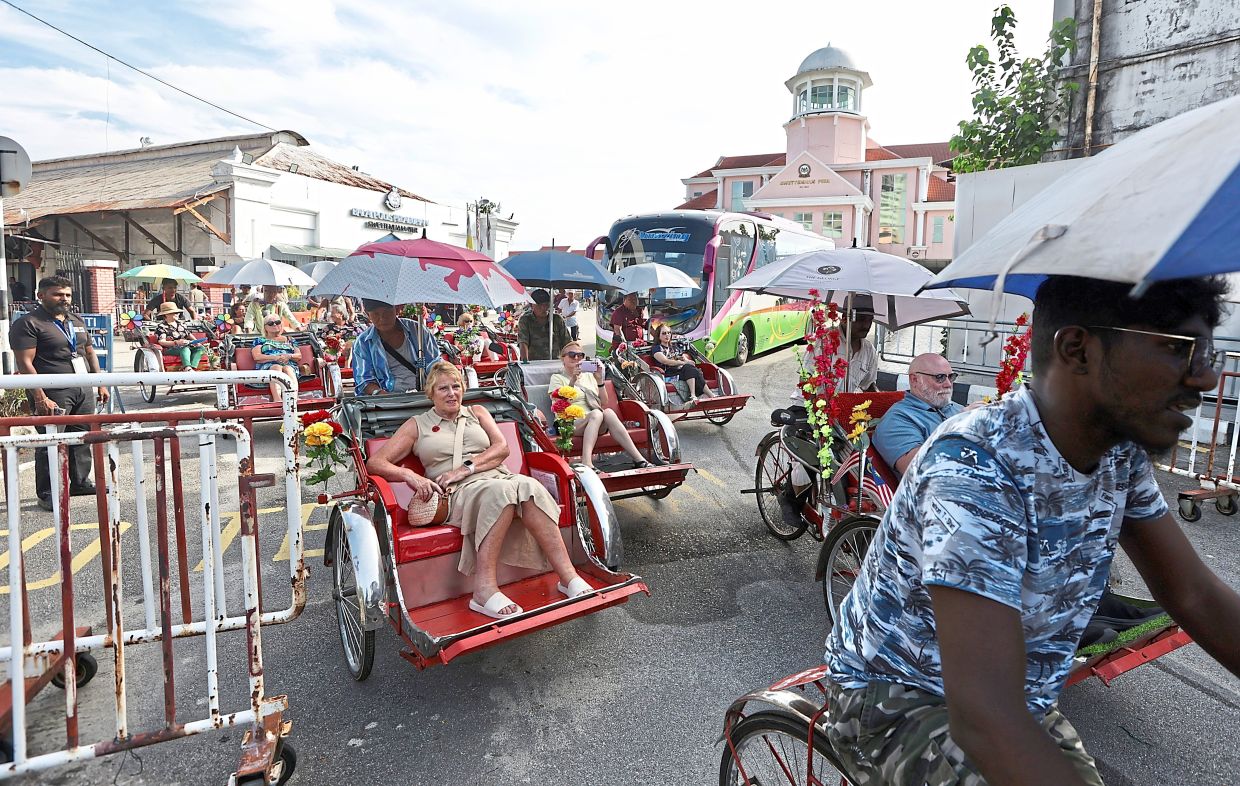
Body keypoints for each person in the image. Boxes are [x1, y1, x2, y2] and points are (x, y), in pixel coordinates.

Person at [823, 275, 1240, 786]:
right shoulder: (975, 465)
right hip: (898, 696)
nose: (1203, 379)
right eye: (1180, 351)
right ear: (1077, 349)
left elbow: (1194, 594)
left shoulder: (1120, 454)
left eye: (1209, 356)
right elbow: (984, 716)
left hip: (1020, 694)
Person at [367, 361, 593, 619]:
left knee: (530, 486)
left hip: (494, 477)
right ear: (431, 393)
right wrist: (411, 476)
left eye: (456, 386)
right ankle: (484, 590)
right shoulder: (417, 425)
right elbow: (375, 463)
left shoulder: (477, 412)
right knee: (499, 493)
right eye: (443, 388)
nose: (451, 393)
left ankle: (567, 576)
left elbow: (502, 448)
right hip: (457, 492)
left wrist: (466, 468)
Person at [11, 276, 109, 511]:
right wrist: (40, 396)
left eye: (67, 294)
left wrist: (100, 383)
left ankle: (79, 482)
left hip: (82, 388)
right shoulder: (29, 323)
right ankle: (47, 491)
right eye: (57, 294)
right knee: (50, 441)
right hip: (52, 391)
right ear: (41, 295)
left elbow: (88, 352)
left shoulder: (75, 320)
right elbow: (25, 363)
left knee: (81, 437)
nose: (64, 299)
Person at [549, 341, 659, 470]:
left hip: (594, 420)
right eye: (572, 355)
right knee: (596, 413)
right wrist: (572, 380)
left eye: (580, 355)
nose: (577, 358)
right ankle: (587, 462)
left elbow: (604, 402)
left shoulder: (589, 377)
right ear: (563, 359)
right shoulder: (557, 378)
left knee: (608, 412)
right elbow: (559, 403)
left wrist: (600, 381)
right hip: (569, 422)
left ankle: (639, 459)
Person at [872, 352, 964, 475]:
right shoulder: (898, 418)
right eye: (940, 377)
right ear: (914, 380)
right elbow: (918, 470)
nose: (948, 384)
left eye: (951, 377)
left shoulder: (957, 408)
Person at [351, 299, 441, 395]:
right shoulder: (363, 342)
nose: (382, 318)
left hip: (424, 393)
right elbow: (364, 379)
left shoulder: (418, 330)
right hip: (386, 400)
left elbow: (434, 364)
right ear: (368, 315)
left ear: (397, 310)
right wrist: (380, 394)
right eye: (376, 314)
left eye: (387, 312)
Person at [251, 315, 312, 402]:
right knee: (276, 367)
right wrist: (275, 358)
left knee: (288, 369)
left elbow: (298, 355)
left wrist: (289, 356)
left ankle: (293, 398)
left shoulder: (290, 340)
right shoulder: (260, 340)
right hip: (268, 364)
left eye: (278, 322)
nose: (275, 325)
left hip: (289, 363)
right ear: (265, 327)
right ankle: (277, 399)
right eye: (270, 323)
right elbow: (257, 357)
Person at [650, 325, 712, 405]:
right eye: (664, 333)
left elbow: (681, 356)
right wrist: (683, 363)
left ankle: (703, 395)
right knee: (689, 368)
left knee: (693, 369)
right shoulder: (656, 348)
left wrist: (687, 361)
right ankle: (699, 395)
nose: (667, 335)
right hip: (667, 374)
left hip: (679, 371)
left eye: (669, 333)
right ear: (658, 335)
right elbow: (665, 361)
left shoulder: (673, 346)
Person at [517, 289, 571, 361]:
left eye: (546, 305)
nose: (543, 308)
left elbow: (567, 343)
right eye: (539, 305)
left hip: (555, 362)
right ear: (531, 305)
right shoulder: (525, 320)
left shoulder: (557, 319)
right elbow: (523, 343)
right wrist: (525, 363)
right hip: (533, 364)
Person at [152, 302, 206, 370]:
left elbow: (188, 334)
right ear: (166, 314)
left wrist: (196, 342)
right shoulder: (162, 327)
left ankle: (193, 367)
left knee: (201, 348)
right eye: (174, 313)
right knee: (185, 349)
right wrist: (176, 342)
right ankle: (187, 367)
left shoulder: (180, 324)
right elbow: (162, 342)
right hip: (170, 348)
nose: (177, 314)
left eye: (177, 312)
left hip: (186, 345)